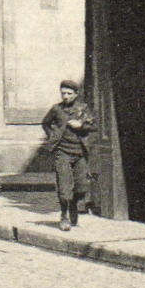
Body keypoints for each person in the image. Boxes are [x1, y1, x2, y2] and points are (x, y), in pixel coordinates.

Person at [42, 79, 95, 231]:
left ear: (76, 94)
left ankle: (73, 204)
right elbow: (45, 123)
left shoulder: (83, 109)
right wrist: (53, 136)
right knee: (64, 188)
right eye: (63, 93)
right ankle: (64, 215)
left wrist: (82, 125)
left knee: (82, 187)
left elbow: (94, 126)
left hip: (80, 154)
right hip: (62, 153)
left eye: (69, 94)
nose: (65, 96)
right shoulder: (56, 109)